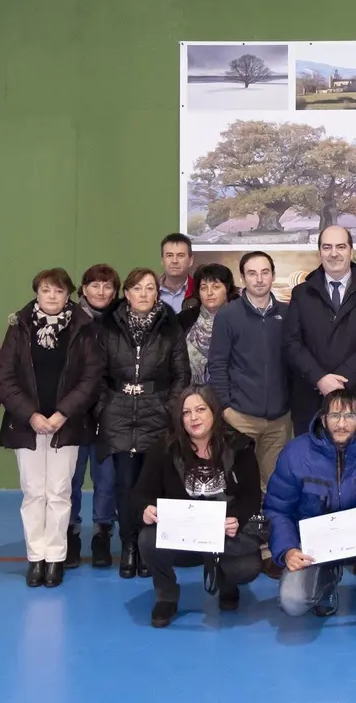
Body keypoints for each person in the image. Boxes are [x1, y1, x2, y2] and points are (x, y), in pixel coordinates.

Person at [264, 390, 356, 641]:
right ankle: (328, 578)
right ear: (323, 419)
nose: (341, 424)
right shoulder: (295, 453)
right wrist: (287, 549)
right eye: (334, 415)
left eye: (349, 416)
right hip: (315, 549)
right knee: (293, 603)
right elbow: (277, 509)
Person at [0, 268, 102, 588]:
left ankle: (55, 557)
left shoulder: (83, 328)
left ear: (68, 294)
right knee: (33, 493)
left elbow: (90, 377)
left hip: (64, 426)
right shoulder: (19, 326)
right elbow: (5, 377)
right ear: (36, 293)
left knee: (59, 492)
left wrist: (62, 414)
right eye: (45, 291)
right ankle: (35, 557)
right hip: (27, 425)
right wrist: (31, 415)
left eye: (58, 291)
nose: (52, 296)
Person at [134, 385, 267, 628]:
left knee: (248, 566)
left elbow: (251, 496)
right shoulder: (164, 448)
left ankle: (226, 580)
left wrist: (236, 517)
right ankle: (167, 595)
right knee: (147, 539)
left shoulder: (240, 446)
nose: (193, 418)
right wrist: (146, 508)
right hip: (182, 537)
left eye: (200, 409)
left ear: (214, 412)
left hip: (223, 536)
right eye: (186, 413)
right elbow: (143, 492)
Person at [96, 268, 191, 579]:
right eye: (137, 288)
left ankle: (149, 546)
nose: (143, 294)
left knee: (153, 486)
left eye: (150, 288)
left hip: (157, 415)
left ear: (157, 293)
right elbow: (95, 373)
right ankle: (128, 545)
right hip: (119, 414)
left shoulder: (170, 327)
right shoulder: (109, 326)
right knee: (125, 485)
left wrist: (168, 407)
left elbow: (182, 373)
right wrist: (104, 407)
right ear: (127, 292)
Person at [209, 251, 293, 579]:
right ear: (243, 278)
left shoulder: (287, 315)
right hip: (239, 418)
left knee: (273, 487)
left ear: (273, 275)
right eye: (252, 273)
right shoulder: (228, 316)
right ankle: (236, 550)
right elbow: (217, 365)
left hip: (278, 421)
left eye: (265, 272)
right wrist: (226, 409)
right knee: (238, 487)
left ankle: (270, 551)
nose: (259, 278)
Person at [282, 225, 356, 434]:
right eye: (327, 247)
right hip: (312, 402)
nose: (334, 253)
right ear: (319, 252)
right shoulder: (301, 293)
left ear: (351, 251)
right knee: (313, 464)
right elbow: (291, 342)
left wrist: (342, 378)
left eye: (341, 247)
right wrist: (320, 379)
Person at [71, 263, 122, 568]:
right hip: (74, 414)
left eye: (107, 287)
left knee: (107, 480)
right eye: (95, 285)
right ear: (83, 289)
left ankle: (102, 533)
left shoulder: (120, 321)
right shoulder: (69, 320)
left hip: (110, 413)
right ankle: (71, 533)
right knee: (72, 478)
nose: (101, 292)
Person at [178, 262, 239, 385]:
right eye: (204, 288)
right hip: (191, 396)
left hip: (234, 395)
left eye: (216, 287)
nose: (209, 293)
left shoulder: (241, 319)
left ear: (227, 289)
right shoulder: (183, 320)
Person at [158, 233, 196, 313]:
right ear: (162, 260)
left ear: (190, 260)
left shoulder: (200, 292)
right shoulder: (149, 292)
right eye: (169, 255)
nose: (174, 261)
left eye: (180, 255)